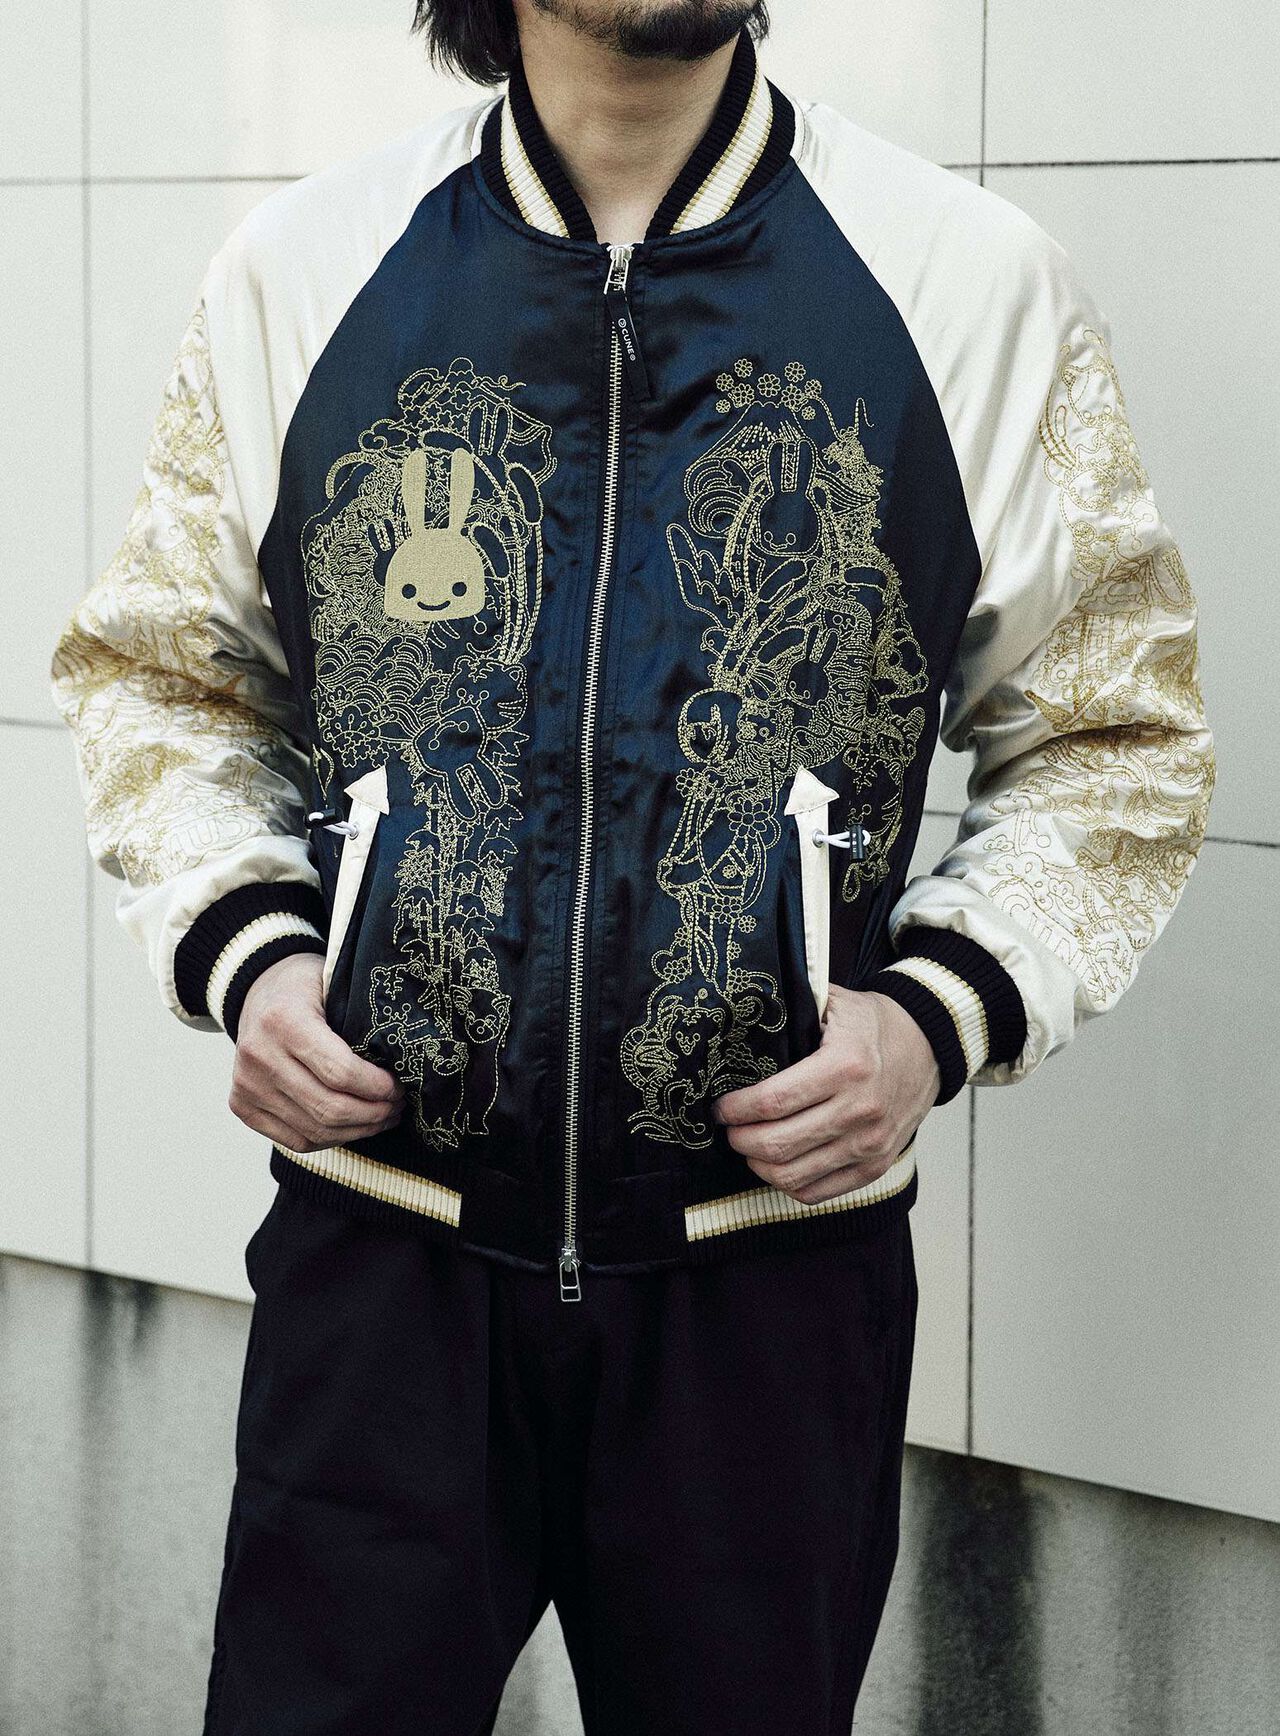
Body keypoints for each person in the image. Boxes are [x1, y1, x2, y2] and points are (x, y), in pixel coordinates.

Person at [51, 0, 1216, 1729]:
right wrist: (252, 949)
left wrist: (933, 1019)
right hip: (384, 1264)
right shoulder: (299, 271)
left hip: (769, 1288)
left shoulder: (976, 287)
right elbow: (164, 680)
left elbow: (1117, 736)